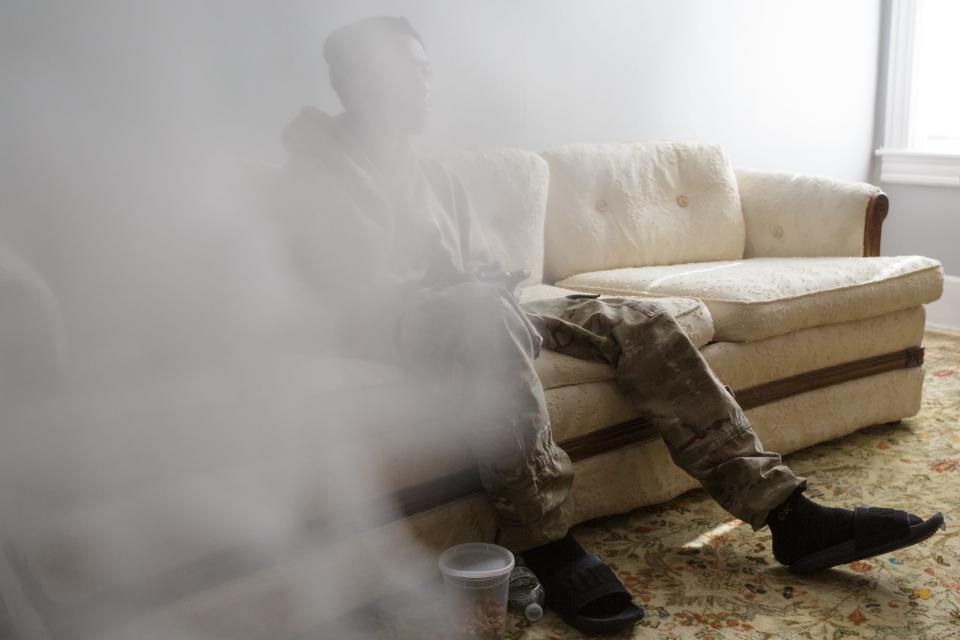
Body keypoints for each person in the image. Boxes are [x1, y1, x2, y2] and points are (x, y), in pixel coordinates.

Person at [274, 16, 944, 635]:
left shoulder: (430, 172)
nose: (425, 86)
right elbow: (351, 286)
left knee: (639, 319)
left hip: (465, 304)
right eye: (410, 73)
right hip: (381, 325)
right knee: (482, 313)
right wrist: (470, 293)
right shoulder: (315, 167)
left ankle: (787, 513)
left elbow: (470, 262)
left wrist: (487, 282)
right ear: (364, 80)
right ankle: (545, 539)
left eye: (426, 72)